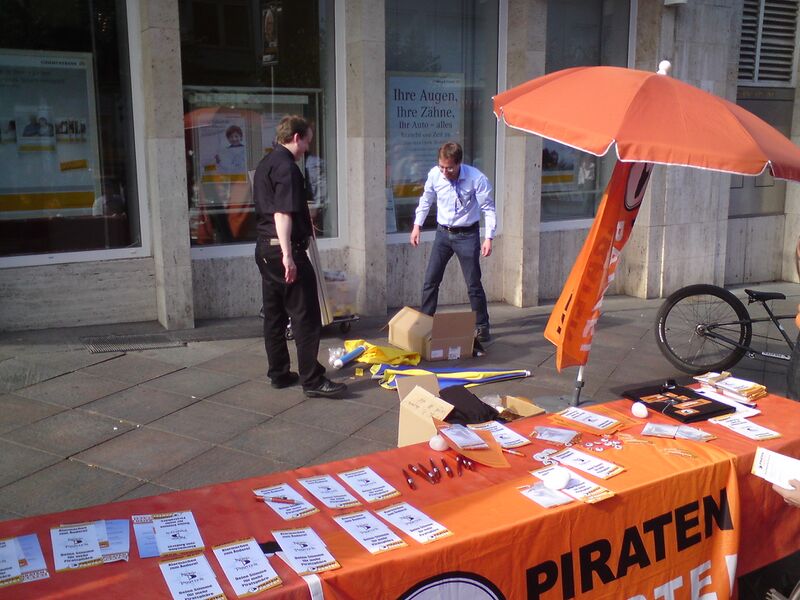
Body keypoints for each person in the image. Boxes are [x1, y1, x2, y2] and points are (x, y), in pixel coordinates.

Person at [253, 115, 346, 398]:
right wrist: (288, 256)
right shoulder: (288, 168)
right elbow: (282, 213)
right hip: (284, 250)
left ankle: (279, 373)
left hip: (265, 249)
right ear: (296, 137)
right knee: (305, 317)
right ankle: (312, 379)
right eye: (307, 139)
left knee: (274, 315)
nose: (308, 145)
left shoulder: (265, 164)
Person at [409, 142, 495, 342]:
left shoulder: (477, 179)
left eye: (449, 168)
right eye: (441, 167)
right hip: (442, 234)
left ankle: (482, 325)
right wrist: (417, 226)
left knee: (473, 283)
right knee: (431, 280)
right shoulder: (434, 175)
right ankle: (425, 322)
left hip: (467, 235)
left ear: (459, 163)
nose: (445, 172)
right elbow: (426, 199)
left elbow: (488, 209)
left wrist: (488, 237)